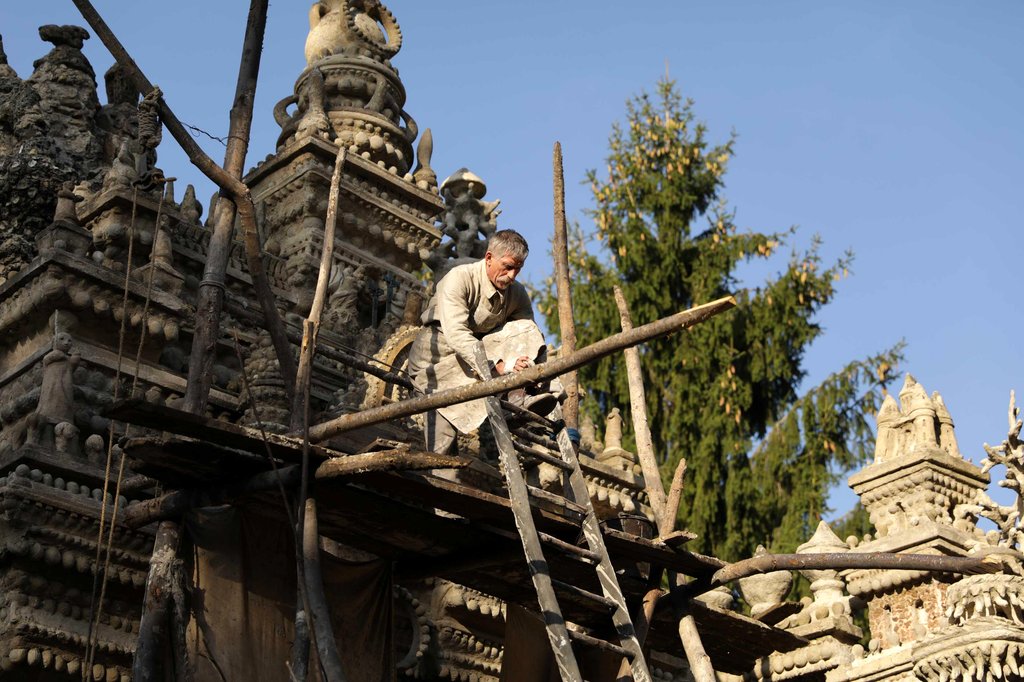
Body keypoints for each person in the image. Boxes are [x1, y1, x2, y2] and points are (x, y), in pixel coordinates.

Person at [408, 229, 556, 454]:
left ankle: (517, 397)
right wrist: (495, 368)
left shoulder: (516, 293)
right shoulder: (459, 279)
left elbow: (530, 335)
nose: (512, 275)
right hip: (436, 364)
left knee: (525, 327)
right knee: (442, 444)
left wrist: (530, 370)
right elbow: (457, 335)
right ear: (488, 258)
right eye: (507, 266)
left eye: (518, 268)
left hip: (479, 358)